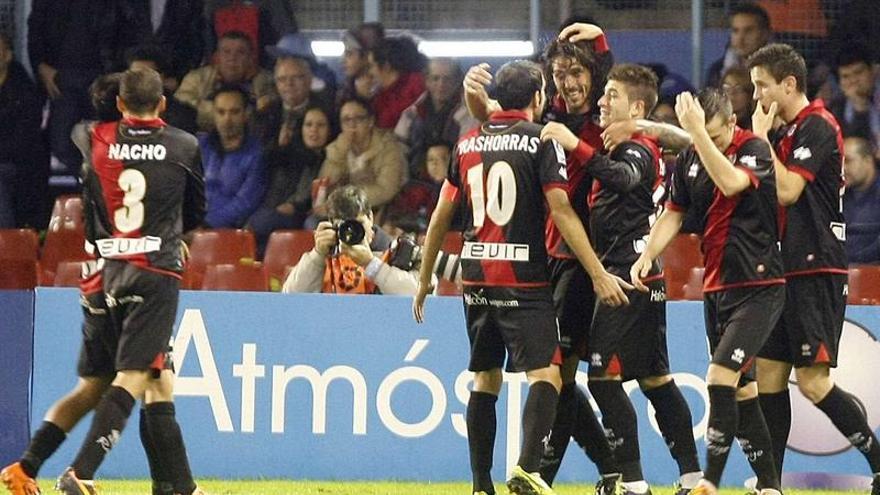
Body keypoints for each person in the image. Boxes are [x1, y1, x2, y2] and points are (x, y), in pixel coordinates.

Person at [414, 59, 631, 495]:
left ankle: (480, 485)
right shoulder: (541, 141)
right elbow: (563, 211)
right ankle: (528, 470)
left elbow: (440, 216)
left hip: (475, 277)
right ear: (536, 99)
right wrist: (597, 272)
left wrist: (424, 277)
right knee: (548, 376)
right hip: (523, 277)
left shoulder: (467, 143)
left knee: (485, 377)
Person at [463, 27, 621, 494]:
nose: (568, 82)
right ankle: (599, 467)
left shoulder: (604, 119)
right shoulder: (546, 119)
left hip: (589, 258)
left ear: (594, 75)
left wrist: (602, 41)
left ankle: (547, 472)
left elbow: (620, 85)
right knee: (561, 376)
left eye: (576, 71)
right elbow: (493, 120)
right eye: (559, 74)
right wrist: (473, 92)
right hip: (548, 259)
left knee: (563, 374)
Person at [42, 67, 203, 495]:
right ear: (164, 103)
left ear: (117, 103)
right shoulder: (184, 145)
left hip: (109, 269)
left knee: (158, 378)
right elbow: (197, 211)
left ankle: (178, 486)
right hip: (156, 266)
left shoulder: (92, 137)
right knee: (135, 375)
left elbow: (74, 135)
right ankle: (81, 472)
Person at [632, 88, 784, 495]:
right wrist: (648, 253)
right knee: (743, 390)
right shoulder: (689, 159)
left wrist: (698, 133)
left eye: (716, 137)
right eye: (704, 136)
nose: (708, 143)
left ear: (732, 124)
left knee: (719, 376)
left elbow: (733, 183)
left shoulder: (754, 147)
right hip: (717, 287)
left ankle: (709, 482)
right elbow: (673, 213)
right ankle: (770, 486)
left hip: (759, 284)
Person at [749, 44, 880, 493]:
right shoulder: (786, 132)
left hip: (815, 269)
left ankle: (879, 461)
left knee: (812, 382)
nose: (757, 96)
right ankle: (770, 484)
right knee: (767, 373)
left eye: (762, 85)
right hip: (780, 270)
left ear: (788, 84)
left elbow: (787, 191)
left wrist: (761, 139)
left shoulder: (818, 126)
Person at [573, 63, 702, 495]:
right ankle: (691, 477)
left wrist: (577, 146)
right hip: (643, 273)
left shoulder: (638, 149)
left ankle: (633, 483)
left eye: (611, 94)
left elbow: (626, 179)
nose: (601, 101)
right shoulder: (639, 144)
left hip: (626, 277)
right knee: (655, 379)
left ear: (637, 106)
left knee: (603, 378)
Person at [281, 185, 422, 295]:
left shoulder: (398, 252)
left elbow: (420, 298)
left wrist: (371, 264)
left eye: (358, 223)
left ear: (370, 217)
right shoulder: (325, 255)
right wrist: (317, 256)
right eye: (344, 225)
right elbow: (290, 298)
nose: (351, 231)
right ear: (331, 223)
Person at [249, 104, 334, 258]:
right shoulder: (289, 154)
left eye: (320, 125)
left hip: (306, 214)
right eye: (308, 125)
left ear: (330, 130)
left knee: (262, 221)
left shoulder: (332, 159)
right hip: (278, 211)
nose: (313, 130)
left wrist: (296, 206)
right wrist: (280, 146)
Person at [316, 96, 407, 217]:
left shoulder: (388, 147)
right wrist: (339, 155)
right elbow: (324, 184)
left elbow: (386, 190)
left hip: (382, 210)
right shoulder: (338, 147)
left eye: (358, 119)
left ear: (370, 121)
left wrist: (344, 203)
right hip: (344, 210)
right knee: (313, 222)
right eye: (346, 120)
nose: (352, 125)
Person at [175, 31, 275, 131]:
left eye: (240, 52)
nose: (232, 58)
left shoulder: (268, 81)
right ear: (216, 57)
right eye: (226, 52)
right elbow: (182, 107)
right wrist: (247, 112)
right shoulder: (196, 78)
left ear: (251, 58)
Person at [395, 58, 478, 178]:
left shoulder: (471, 114)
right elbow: (398, 149)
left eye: (447, 79)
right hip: (415, 182)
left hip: (454, 182)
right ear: (427, 80)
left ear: (457, 81)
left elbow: (470, 157)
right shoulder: (412, 114)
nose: (441, 84)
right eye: (435, 78)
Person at [200, 85, 267, 228]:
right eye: (221, 112)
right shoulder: (199, 145)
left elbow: (246, 202)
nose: (227, 119)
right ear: (213, 114)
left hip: (229, 230)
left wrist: (206, 225)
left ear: (246, 114)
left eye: (234, 112)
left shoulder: (257, 153)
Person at [0, 32, 46, 229]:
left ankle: (7, 249)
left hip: (16, 166)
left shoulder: (24, 92)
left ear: (8, 55)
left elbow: (23, 142)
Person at [126, 45, 199, 134]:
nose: (139, 80)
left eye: (147, 75)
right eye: (134, 75)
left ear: (162, 77)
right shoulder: (116, 109)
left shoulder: (183, 115)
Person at [705, 2, 772, 89]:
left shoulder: (781, 69)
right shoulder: (717, 71)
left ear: (765, 33)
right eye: (735, 31)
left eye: (749, 30)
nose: (740, 38)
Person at [828, 44, 880, 152]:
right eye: (846, 76)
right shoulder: (835, 108)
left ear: (873, 71)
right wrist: (859, 107)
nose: (853, 81)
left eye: (858, 72)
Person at [367, 36, 427, 130]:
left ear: (386, 66)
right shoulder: (380, 96)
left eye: (371, 66)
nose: (369, 72)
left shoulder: (416, 88)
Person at [842, 136, 880, 264]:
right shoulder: (839, 196)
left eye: (848, 161)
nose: (843, 168)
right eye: (840, 162)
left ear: (868, 161)